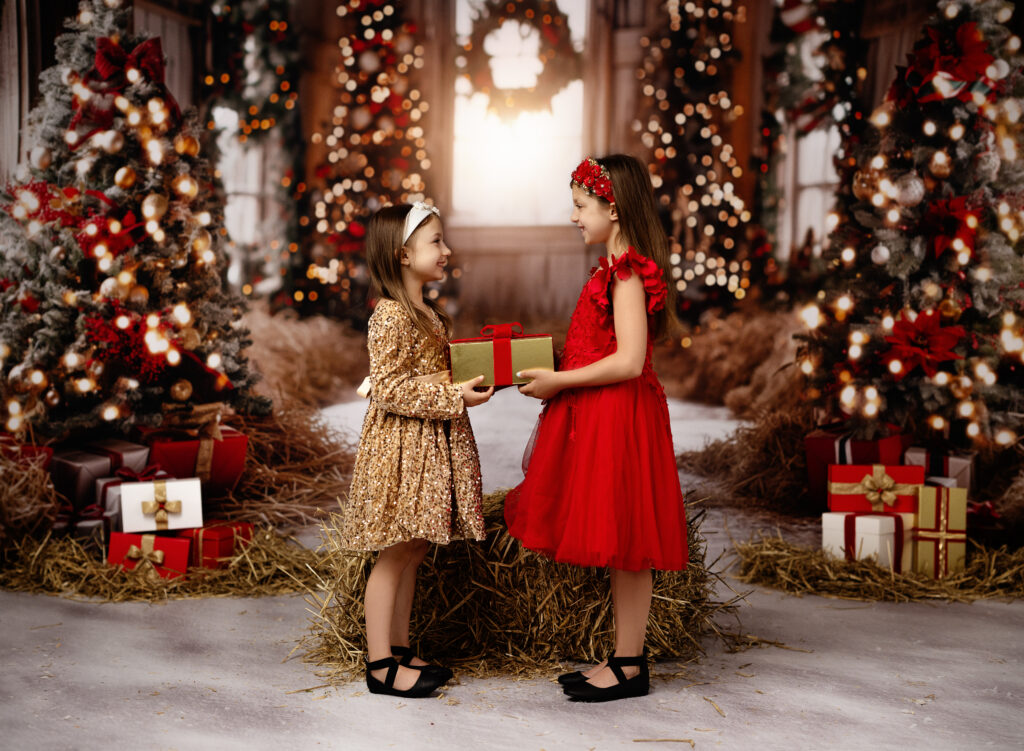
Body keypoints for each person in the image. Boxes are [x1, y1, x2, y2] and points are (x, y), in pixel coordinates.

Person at [507, 155, 689, 702]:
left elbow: (631, 360)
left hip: (619, 415)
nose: (573, 216)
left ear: (614, 207)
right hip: (602, 411)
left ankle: (630, 664)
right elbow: (602, 345)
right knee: (618, 538)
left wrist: (561, 381)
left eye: (582, 206)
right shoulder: (610, 270)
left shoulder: (628, 272)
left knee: (628, 540)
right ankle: (622, 658)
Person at [339, 202, 494, 698]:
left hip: (432, 441)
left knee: (418, 545)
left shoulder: (428, 312)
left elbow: (431, 373)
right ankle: (380, 664)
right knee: (398, 547)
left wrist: (467, 379)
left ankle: (401, 647)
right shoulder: (389, 316)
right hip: (403, 446)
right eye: (436, 243)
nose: (447, 251)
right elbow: (387, 388)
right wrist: (453, 395)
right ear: (403, 255)